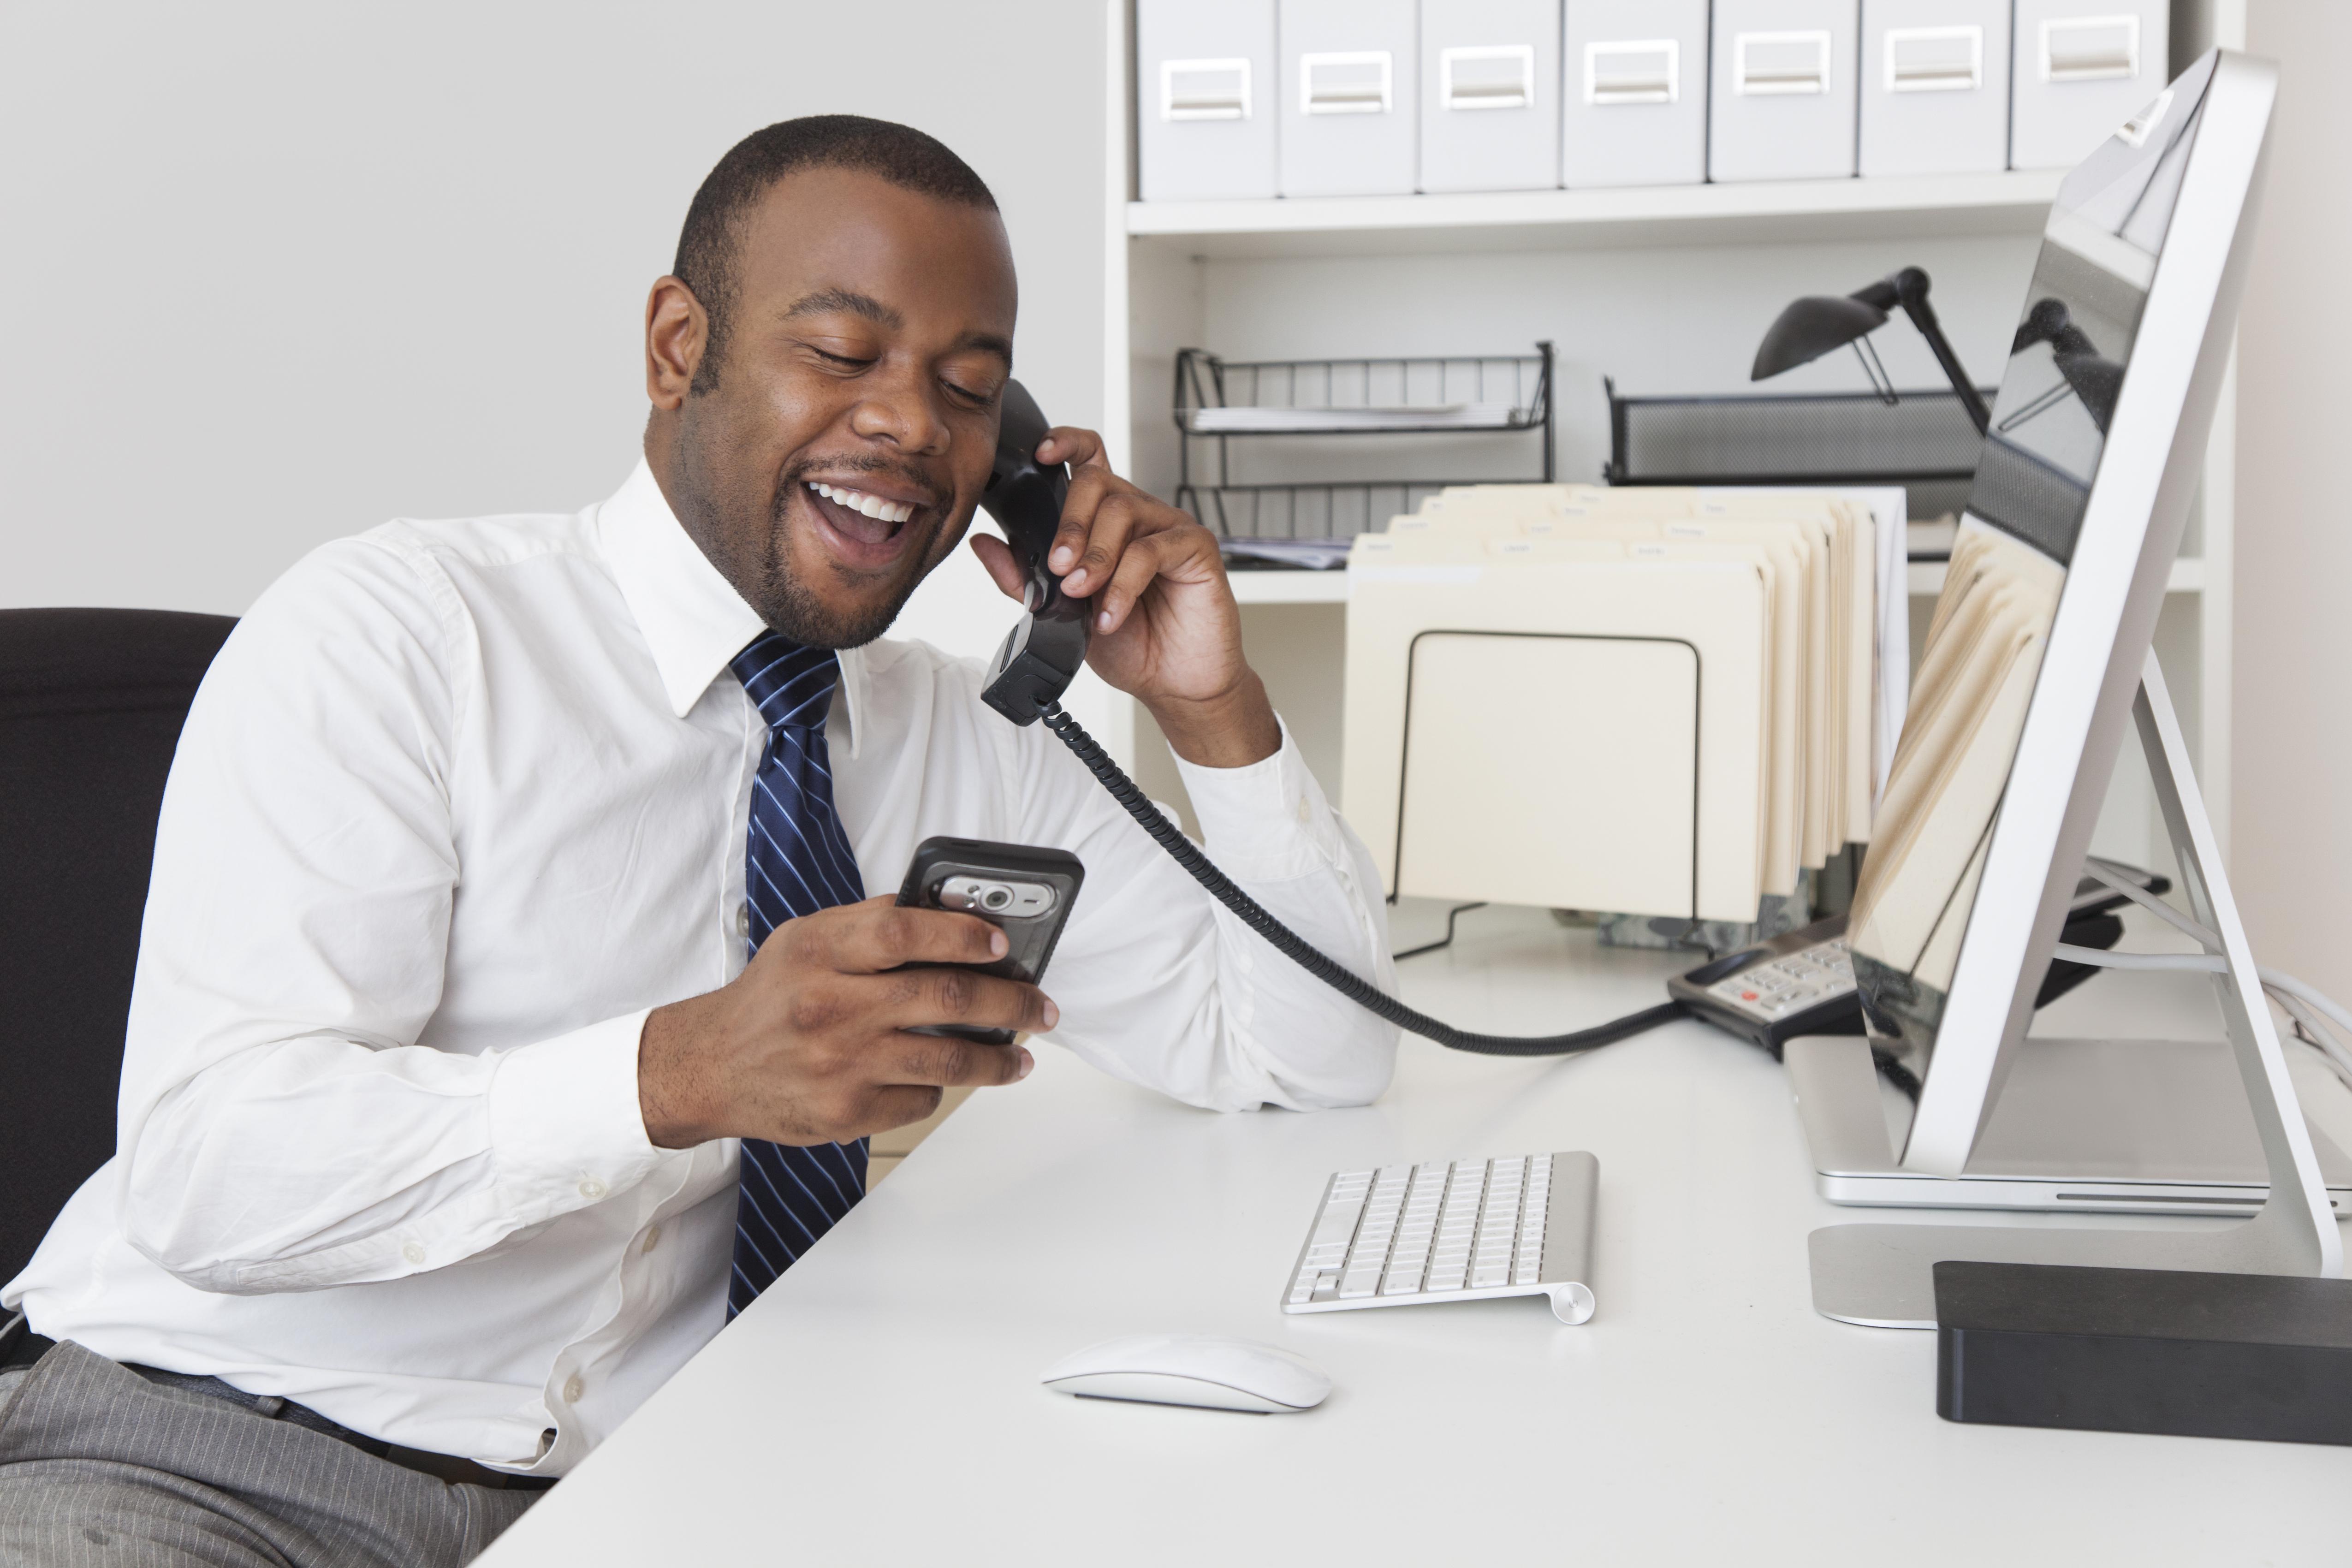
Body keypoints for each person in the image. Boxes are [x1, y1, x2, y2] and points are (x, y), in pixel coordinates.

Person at [0, 115, 1396, 1565]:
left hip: (652, 1495)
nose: (913, 426)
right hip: (206, 1454)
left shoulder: (970, 742)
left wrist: (1210, 708)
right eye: (843, 353)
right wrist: (679, 1071)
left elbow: (1311, 1056)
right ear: (679, 347)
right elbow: (210, 1175)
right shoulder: (400, 633)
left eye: (970, 389)